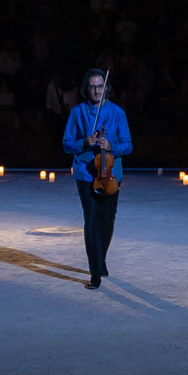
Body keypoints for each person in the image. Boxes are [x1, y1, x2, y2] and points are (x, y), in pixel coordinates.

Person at [63, 69, 132, 290]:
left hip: (111, 173)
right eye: (92, 86)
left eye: (100, 86)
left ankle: (100, 258)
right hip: (85, 172)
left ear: (106, 88)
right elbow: (66, 143)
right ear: (86, 89)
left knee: (107, 219)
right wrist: (84, 142)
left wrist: (111, 146)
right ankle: (95, 271)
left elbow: (128, 145)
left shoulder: (117, 113)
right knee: (91, 219)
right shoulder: (77, 112)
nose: (96, 90)